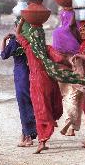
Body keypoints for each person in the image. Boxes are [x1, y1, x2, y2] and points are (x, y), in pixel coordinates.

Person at [16, 18, 66, 154]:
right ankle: (50, 122)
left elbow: (18, 35)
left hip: (37, 81)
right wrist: (69, 66)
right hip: (50, 80)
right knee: (49, 104)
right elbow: (61, 59)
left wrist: (21, 22)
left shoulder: (29, 48)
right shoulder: (47, 48)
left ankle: (42, 140)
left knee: (40, 109)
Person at [52, 9, 85, 137]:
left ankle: (69, 119)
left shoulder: (56, 33)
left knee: (66, 95)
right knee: (77, 95)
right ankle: (72, 127)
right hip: (77, 62)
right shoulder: (79, 31)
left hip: (61, 65)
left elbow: (55, 52)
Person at [1, 32, 37, 147]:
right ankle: (26, 134)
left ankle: (28, 137)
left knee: (23, 104)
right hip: (32, 73)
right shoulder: (30, 39)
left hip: (21, 74)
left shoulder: (14, 41)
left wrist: (4, 39)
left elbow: (3, 55)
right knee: (30, 103)